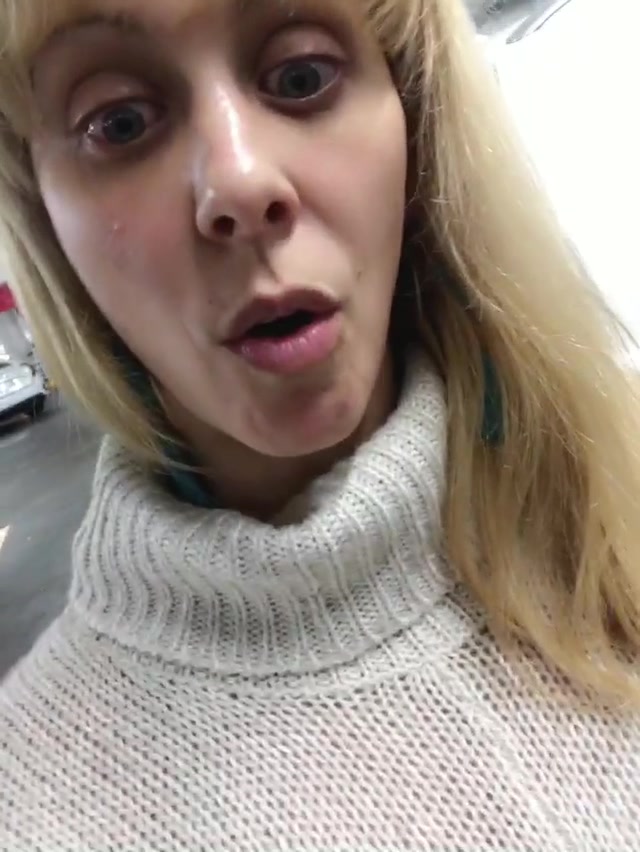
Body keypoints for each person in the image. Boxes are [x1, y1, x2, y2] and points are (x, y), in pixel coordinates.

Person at [0, 0, 639, 848]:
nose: (239, 182)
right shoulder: (30, 803)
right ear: (44, 220)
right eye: (119, 122)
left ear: (413, 114)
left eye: (301, 76)